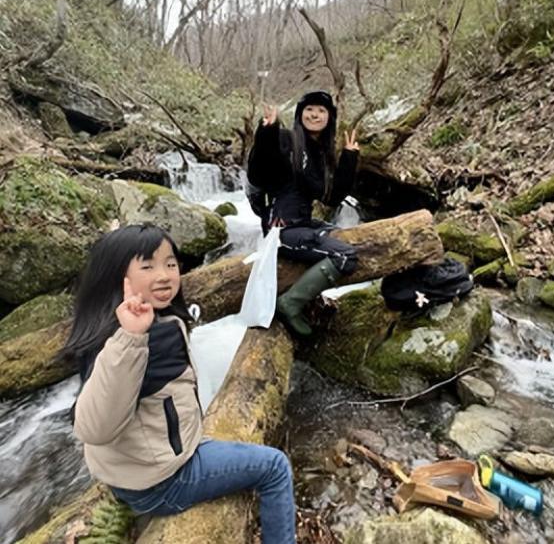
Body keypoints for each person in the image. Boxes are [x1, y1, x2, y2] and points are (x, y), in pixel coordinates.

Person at [63, 224, 296, 544]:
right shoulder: (138, 339)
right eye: (148, 266)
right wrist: (132, 338)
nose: (164, 275)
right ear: (119, 278)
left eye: (170, 264)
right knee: (275, 467)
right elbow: (93, 428)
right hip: (161, 484)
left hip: (135, 469)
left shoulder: (113, 325)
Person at [247, 90, 360, 336]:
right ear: (300, 114)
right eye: (309, 109)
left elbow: (330, 197)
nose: (315, 114)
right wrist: (266, 133)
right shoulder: (286, 139)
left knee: (344, 237)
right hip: (282, 230)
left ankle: (309, 298)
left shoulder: (321, 152)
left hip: (303, 223)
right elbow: (260, 171)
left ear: (329, 117)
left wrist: (349, 158)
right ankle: (290, 304)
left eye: (321, 110)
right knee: (345, 257)